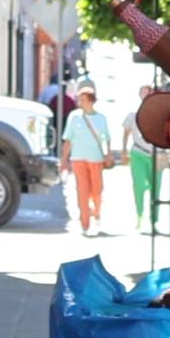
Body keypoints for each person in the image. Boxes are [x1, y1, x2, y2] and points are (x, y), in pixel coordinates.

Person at [58, 83, 117, 235]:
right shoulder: (74, 117)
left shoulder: (100, 118)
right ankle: (85, 223)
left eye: (83, 99)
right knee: (82, 191)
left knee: (97, 189)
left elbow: (106, 138)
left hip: (95, 159)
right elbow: (68, 140)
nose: (80, 102)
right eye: (79, 99)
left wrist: (108, 153)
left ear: (91, 101)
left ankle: (96, 211)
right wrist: (64, 160)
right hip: (78, 158)